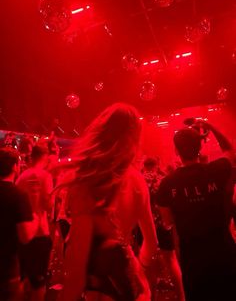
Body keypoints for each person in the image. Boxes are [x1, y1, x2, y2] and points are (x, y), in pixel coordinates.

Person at [58, 103, 158, 301]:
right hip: (130, 284)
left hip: (99, 290)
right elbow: (152, 241)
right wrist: (138, 270)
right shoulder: (137, 180)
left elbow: (76, 276)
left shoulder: (88, 182)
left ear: (100, 131)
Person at [155, 121, 236, 301]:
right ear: (200, 146)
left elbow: (168, 223)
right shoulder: (217, 170)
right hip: (224, 252)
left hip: (193, 259)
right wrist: (212, 127)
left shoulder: (167, 185)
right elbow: (231, 152)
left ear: (176, 151)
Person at [0, 148, 39, 301]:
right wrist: (35, 216)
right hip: (6, 270)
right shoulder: (18, 195)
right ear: (15, 167)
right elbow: (26, 236)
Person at [16, 144, 53, 301]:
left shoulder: (21, 177)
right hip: (40, 231)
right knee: (39, 280)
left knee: (23, 276)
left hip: (24, 232)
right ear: (45, 157)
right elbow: (48, 205)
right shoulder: (46, 176)